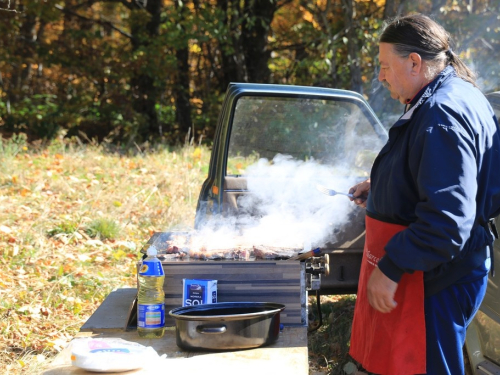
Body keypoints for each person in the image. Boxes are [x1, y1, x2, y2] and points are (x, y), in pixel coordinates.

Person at [348, 13, 500, 375]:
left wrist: (391, 266)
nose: (381, 76)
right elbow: (452, 177)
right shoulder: (455, 93)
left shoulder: (441, 113)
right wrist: (387, 184)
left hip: (439, 277)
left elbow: (447, 219)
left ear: (414, 62)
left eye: (385, 66)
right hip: (444, 271)